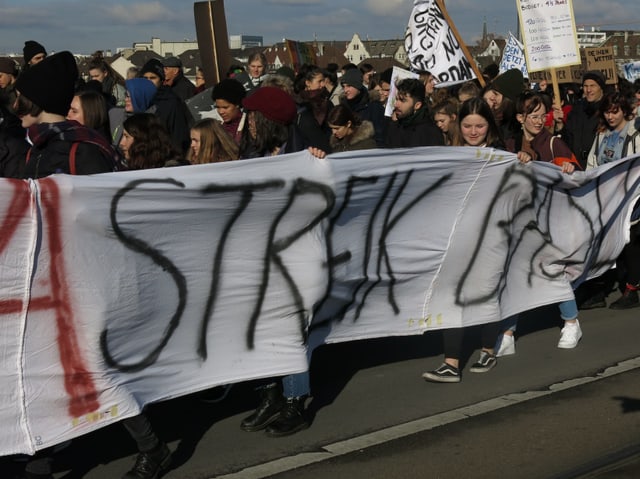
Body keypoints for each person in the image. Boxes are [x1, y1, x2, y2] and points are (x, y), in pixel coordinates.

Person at [11, 50, 120, 479]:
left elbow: (104, 212)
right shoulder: (36, 146)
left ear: (34, 103)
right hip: (41, 273)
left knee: (82, 361)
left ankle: (138, 442)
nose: (15, 107)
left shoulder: (81, 149)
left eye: (21, 99)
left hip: (77, 274)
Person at [423, 98, 505, 383]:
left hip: (492, 237)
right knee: (451, 295)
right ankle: (451, 362)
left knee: (485, 293)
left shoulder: (501, 154)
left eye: (479, 126)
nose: (473, 131)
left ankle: (487, 349)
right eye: (468, 125)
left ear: (489, 126)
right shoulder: (451, 154)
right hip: (456, 237)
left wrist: (525, 160)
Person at [495, 92, 583, 356]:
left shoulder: (555, 144)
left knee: (552, 269)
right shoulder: (509, 145)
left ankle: (571, 322)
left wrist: (569, 170)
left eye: (541, 115)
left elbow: (578, 177)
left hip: (550, 222)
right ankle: (508, 330)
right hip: (518, 222)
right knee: (513, 274)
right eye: (532, 115)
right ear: (521, 118)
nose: (538, 121)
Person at [586, 92, 640, 310]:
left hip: (631, 199)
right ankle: (602, 288)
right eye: (607, 111)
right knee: (607, 245)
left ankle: (632, 288)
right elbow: (593, 162)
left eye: (615, 111)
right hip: (606, 199)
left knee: (630, 243)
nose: (610, 116)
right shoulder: (601, 135)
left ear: (624, 110)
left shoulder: (634, 135)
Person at [554, 70, 607, 169]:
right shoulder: (577, 109)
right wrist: (559, 125)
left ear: (601, 88)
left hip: (598, 168)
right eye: (586, 86)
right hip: (575, 167)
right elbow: (566, 138)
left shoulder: (608, 110)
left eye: (592, 86)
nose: (588, 90)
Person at [138, 59, 192, 153]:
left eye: (153, 78)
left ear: (161, 80)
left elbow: (179, 136)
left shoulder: (171, 102)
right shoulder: (138, 100)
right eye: (145, 78)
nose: (148, 82)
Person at [385, 78, 444, 148]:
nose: (396, 104)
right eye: (397, 99)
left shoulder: (430, 133)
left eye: (402, 100)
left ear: (417, 105)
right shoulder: (395, 126)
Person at [119, 113, 186, 169]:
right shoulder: (127, 166)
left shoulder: (172, 170)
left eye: (126, 136)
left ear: (143, 140)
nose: (121, 143)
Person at [340, 68, 386, 147]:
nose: (345, 90)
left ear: (358, 86)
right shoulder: (343, 107)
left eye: (349, 86)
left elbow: (381, 135)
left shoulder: (374, 106)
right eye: (343, 87)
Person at [293, 64, 333, 152]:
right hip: (303, 151)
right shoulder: (298, 102)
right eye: (319, 81)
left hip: (323, 151)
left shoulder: (327, 103)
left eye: (323, 81)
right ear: (308, 83)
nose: (323, 84)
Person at [211, 78, 246, 145]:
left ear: (237, 104)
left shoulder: (250, 126)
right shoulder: (216, 128)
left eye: (225, 107)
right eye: (218, 107)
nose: (221, 112)